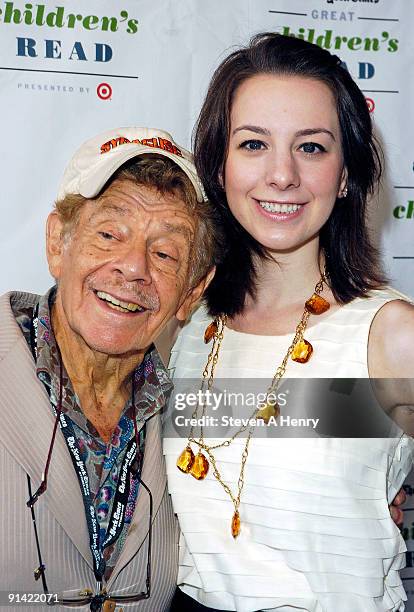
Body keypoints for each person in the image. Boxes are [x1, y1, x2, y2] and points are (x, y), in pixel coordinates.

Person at [163, 34, 414, 611]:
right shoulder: (190, 328)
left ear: (347, 171)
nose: (281, 175)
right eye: (253, 143)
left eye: (312, 148)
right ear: (219, 168)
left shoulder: (388, 334)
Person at [0, 127, 223, 610]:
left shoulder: (194, 416)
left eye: (164, 253)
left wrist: (365, 483)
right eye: (109, 234)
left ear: (191, 292)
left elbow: (338, 421)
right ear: (58, 243)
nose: (133, 267)